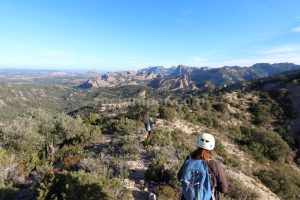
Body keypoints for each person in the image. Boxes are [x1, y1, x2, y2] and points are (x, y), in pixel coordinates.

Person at [177, 133, 228, 200]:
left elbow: (179, 176)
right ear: (212, 146)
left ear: (198, 143)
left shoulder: (189, 159)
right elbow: (224, 189)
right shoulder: (214, 165)